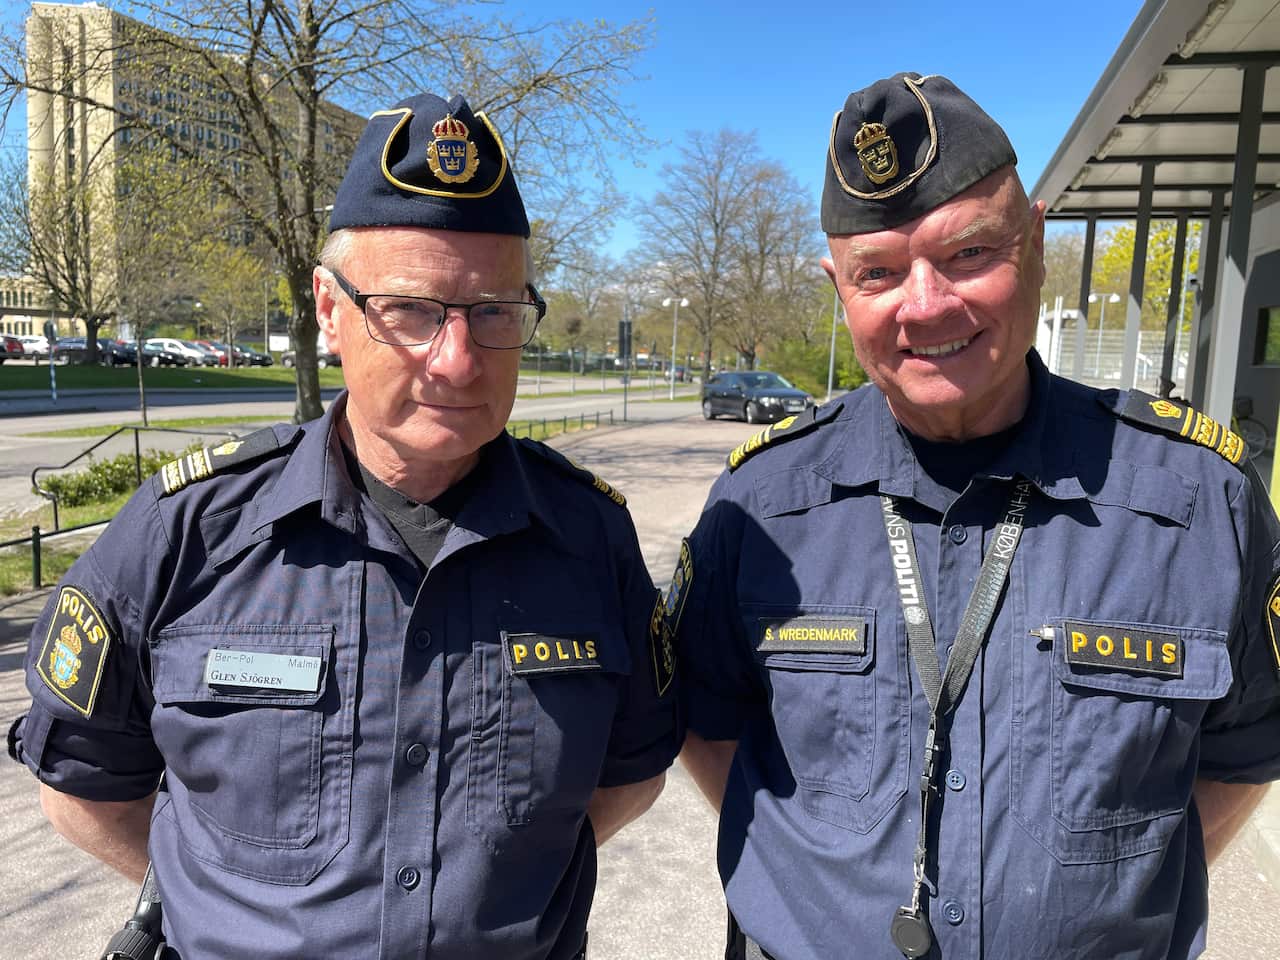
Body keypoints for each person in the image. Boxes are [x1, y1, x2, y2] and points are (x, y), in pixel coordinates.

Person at [12, 92, 678, 959]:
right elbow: (83, 786)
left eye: (494, 313)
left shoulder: (591, 540)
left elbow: (627, 777)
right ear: (330, 310)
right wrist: (226, 909)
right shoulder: (186, 534)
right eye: (411, 310)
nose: (457, 358)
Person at [668, 72, 1280, 960]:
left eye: (968, 255)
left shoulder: (1202, 503)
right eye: (878, 272)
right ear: (837, 286)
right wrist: (827, 873)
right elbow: (707, 725)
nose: (926, 305)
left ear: (1035, 240)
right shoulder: (759, 505)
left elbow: (1242, 749)